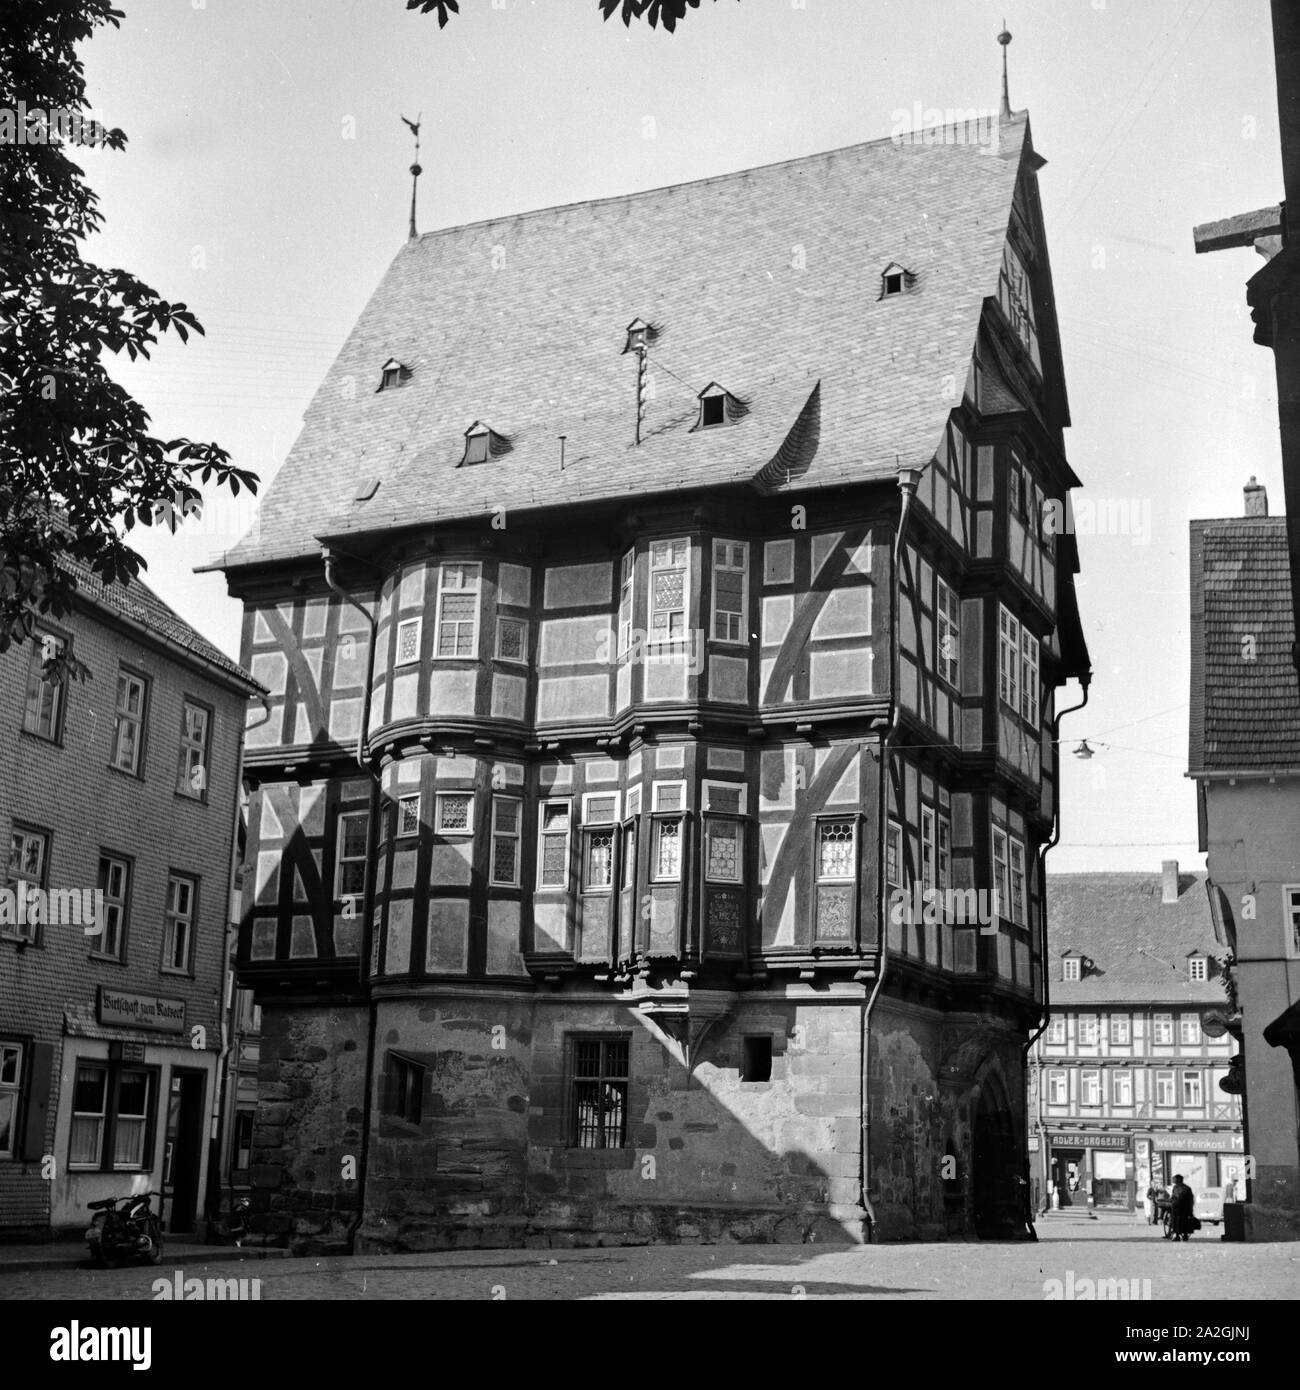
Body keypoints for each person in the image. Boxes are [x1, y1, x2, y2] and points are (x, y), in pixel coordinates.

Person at [1168, 1174, 1196, 1241]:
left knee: (1183, 1222)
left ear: (1178, 1180)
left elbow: (1190, 1199)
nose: (1173, 1180)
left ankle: (1183, 1236)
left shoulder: (1186, 1188)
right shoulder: (1175, 1187)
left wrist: (1190, 1208)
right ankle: (1178, 1236)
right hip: (1177, 1208)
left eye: (1174, 1179)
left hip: (1183, 1208)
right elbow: (1173, 1196)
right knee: (1177, 1222)